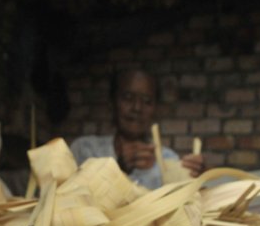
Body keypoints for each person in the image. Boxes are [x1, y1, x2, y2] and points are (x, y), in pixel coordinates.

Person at [69, 69, 205, 189]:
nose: (137, 108)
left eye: (147, 101)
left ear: (155, 109)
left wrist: (198, 181)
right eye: (128, 98)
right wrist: (118, 170)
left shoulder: (168, 160)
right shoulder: (85, 150)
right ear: (112, 103)